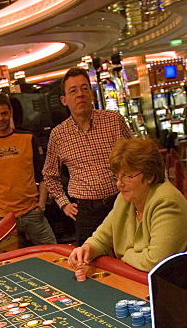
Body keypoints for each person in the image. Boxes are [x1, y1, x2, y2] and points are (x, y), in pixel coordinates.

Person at [68, 138, 187, 273]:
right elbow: (102, 238)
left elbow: (155, 262)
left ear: (150, 175)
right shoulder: (124, 200)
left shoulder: (167, 202)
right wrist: (88, 248)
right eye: (117, 176)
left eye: (127, 176)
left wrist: (124, 254)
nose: (119, 183)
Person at [43, 67, 133, 245]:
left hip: (121, 202)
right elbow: (49, 175)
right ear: (64, 100)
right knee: (92, 261)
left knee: (129, 254)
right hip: (86, 212)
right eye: (73, 91)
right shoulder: (58, 134)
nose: (80, 94)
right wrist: (64, 203)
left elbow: (137, 158)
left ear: (91, 94)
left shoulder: (114, 120)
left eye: (84, 88)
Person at [0, 93, 56, 246]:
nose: (0, 118)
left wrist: (41, 206)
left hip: (33, 213)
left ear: (10, 112)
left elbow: (43, 175)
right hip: (5, 218)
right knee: (12, 264)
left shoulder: (28, 138)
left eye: (4, 113)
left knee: (52, 253)